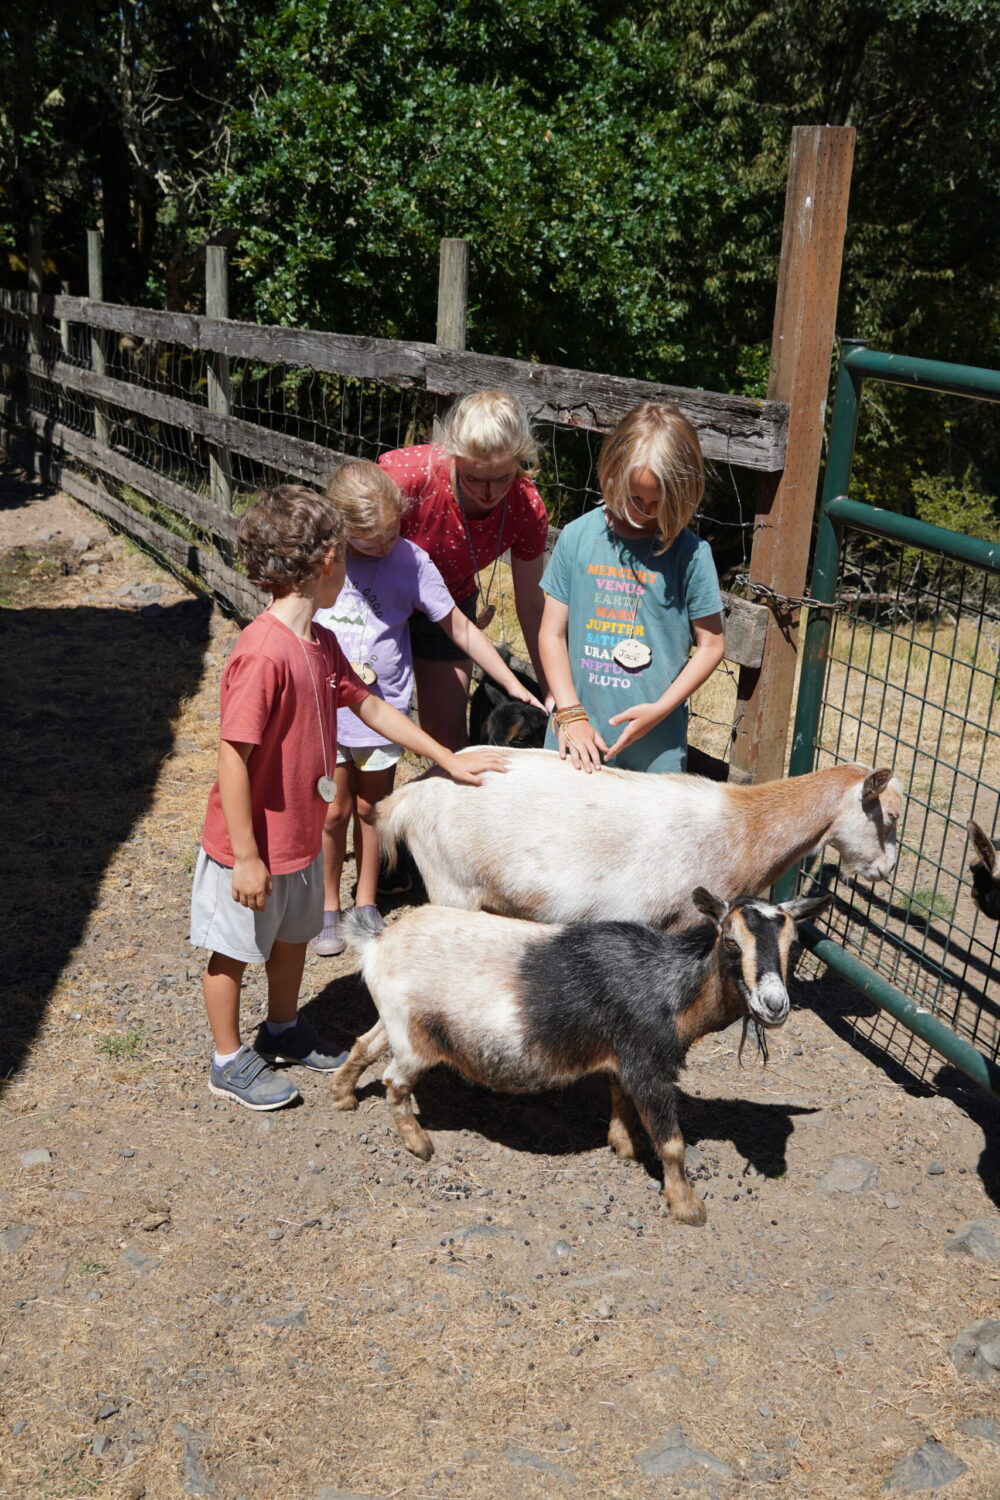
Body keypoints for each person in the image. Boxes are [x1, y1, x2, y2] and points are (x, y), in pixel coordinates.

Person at [189, 485, 507, 1112]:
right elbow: (233, 756)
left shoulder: (320, 645)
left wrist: (445, 756)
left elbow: (370, 706)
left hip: (300, 834)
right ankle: (227, 1059)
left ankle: (282, 1029)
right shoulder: (261, 653)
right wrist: (247, 855)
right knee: (233, 951)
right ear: (330, 560)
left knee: (289, 939)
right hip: (250, 845)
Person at [310, 459, 544, 957]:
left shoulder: (410, 560)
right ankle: (326, 902)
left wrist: (510, 680)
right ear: (340, 528)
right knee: (332, 811)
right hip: (326, 713)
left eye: (392, 532)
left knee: (375, 810)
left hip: (381, 710)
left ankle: (366, 899)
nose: (384, 545)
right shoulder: (326, 564)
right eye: (372, 540)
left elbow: (458, 626)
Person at [538, 402, 725, 774]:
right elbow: (551, 634)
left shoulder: (691, 555)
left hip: (655, 749)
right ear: (612, 472)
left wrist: (660, 710)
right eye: (635, 498)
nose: (644, 511)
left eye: (659, 503)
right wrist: (571, 713)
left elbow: (712, 645)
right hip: (575, 740)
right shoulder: (577, 537)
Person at [378, 388, 551, 750]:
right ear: (452, 456)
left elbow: (533, 608)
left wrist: (553, 692)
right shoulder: (404, 478)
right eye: (474, 478)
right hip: (379, 603)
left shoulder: (526, 507)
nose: (488, 493)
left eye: (502, 478)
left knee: (447, 737)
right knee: (374, 734)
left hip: (449, 607)